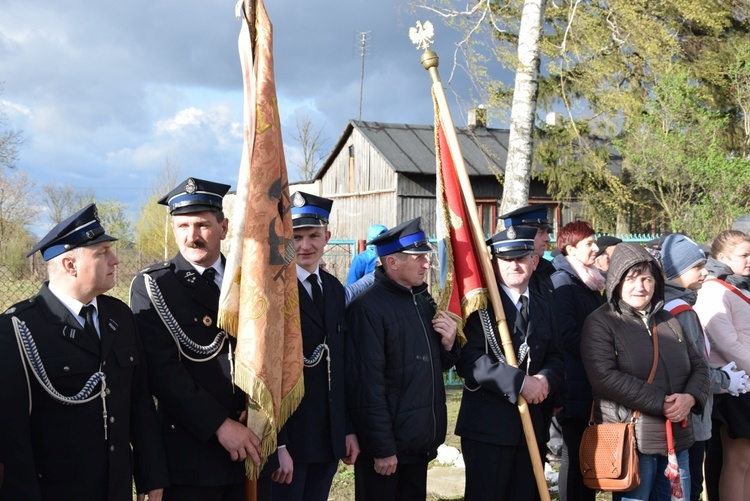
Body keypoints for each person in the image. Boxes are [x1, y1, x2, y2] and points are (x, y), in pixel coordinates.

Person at [0, 203, 168, 501]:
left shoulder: (119, 316)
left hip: (115, 489)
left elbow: (139, 402)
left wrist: (150, 473)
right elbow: (12, 437)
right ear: (70, 265)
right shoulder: (18, 327)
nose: (115, 260)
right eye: (102, 252)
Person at [130, 178, 263, 501]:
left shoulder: (250, 279)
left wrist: (259, 411)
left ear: (224, 227)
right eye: (183, 225)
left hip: (252, 446)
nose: (191, 236)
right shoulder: (154, 286)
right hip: (192, 452)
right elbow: (164, 373)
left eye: (202, 225)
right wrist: (221, 425)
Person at [581, 242, 709, 501]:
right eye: (631, 278)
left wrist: (690, 398)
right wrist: (661, 403)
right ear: (616, 281)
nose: (639, 286)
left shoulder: (668, 320)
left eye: (647, 279)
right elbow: (604, 376)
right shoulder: (601, 322)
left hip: (677, 439)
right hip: (633, 441)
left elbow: (699, 367)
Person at [345, 217, 460, 501]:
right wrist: (382, 449)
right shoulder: (367, 307)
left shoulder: (420, 299)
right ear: (392, 263)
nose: (426, 264)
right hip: (387, 450)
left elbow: (423, 366)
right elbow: (366, 387)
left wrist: (448, 346)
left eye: (426, 256)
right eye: (418, 257)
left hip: (416, 443)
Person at [455, 225, 564, 500]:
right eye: (506, 259)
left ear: (534, 261)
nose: (514, 265)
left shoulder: (543, 304)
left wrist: (545, 379)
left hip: (533, 427)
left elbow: (556, 355)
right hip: (489, 428)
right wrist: (519, 383)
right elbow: (468, 360)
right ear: (494, 263)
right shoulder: (479, 305)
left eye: (522, 258)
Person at [271, 192, 359, 500]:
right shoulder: (274, 290)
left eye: (313, 236)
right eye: (296, 236)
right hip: (290, 441)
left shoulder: (334, 289)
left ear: (327, 237)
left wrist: (346, 429)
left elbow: (342, 366)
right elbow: (268, 371)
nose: (305, 246)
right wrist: (278, 444)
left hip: (328, 437)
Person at [661, 233, 748, 501]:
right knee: (727, 466)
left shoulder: (723, 288)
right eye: (744, 255)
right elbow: (721, 346)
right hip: (724, 387)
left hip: (725, 385)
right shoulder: (708, 292)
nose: (704, 271)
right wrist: (727, 379)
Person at [549, 221, 606, 501]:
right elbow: (566, 335)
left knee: (587, 455)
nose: (596, 249)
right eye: (589, 244)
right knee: (575, 454)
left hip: (588, 380)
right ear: (570, 249)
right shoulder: (563, 281)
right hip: (573, 382)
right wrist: (604, 350)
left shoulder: (589, 279)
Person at [694, 230, 750, 501]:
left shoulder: (736, 285)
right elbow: (727, 342)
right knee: (738, 461)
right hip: (732, 387)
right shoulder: (714, 289)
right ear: (722, 256)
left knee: (747, 462)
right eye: (744, 255)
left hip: (744, 382)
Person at [497, 204, 555, 301]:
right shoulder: (503, 276)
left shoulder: (548, 270)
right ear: (519, 235)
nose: (547, 239)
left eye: (546, 232)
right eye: (540, 232)